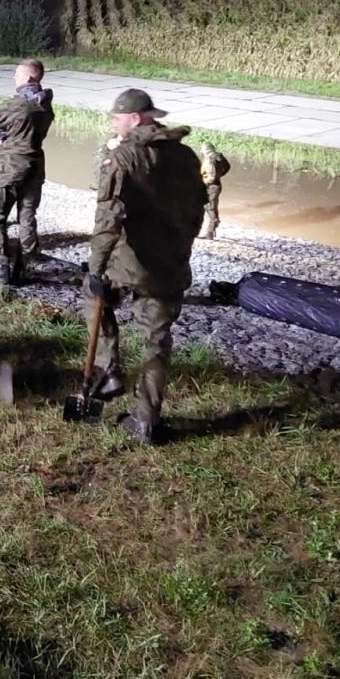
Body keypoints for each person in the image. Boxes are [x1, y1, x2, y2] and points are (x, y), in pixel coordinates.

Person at [86, 89, 207, 445]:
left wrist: (96, 270)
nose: (113, 122)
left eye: (117, 117)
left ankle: (109, 370)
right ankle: (146, 421)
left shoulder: (123, 157)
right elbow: (198, 210)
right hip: (172, 263)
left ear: (136, 119)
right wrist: (181, 246)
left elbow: (108, 221)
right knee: (157, 341)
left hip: (130, 264)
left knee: (91, 299)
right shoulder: (185, 156)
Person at [0, 59, 55, 279]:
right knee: (27, 218)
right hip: (35, 167)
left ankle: (2, 267)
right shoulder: (45, 104)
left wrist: (1, 136)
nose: (14, 77)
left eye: (17, 73)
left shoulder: (15, 104)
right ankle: (23, 266)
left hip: (10, 168)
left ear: (30, 77)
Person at [199, 141, 231, 239]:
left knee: (209, 207)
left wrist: (203, 181)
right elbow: (227, 167)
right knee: (211, 207)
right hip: (216, 185)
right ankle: (211, 228)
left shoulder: (210, 160)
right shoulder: (219, 157)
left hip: (211, 186)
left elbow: (211, 177)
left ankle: (211, 231)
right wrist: (220, 175)